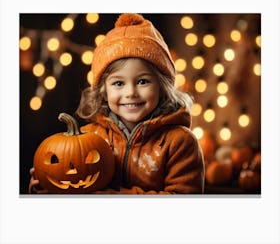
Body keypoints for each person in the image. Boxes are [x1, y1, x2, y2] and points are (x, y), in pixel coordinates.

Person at [29, 13, 205, 194]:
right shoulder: (90, 137)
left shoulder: (180, 142)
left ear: (162, 86)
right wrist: (49, 188)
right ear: (103, 91)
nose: (130, 93)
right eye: (118, 83)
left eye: (143, 81)